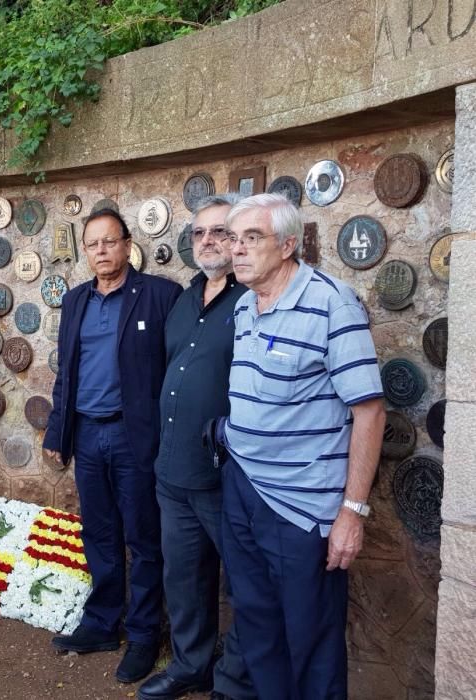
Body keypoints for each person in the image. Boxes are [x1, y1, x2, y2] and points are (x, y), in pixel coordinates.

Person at [220, 193, 385, 699]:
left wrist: (352, 512)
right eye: (234, 239)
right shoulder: (246, 303)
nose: (237, 251)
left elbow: (370, 411)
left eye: (253, 238)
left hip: (300, 507)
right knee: (258, 626)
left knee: (311, 643)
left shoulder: (332, 303)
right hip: (243, 487)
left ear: (288, 245)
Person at [43, 208, 181, 684]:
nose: (101, 251)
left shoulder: (161, 296)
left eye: (109, 242)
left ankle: (144, 635)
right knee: (98, 534)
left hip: (133, 436)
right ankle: (102, 623)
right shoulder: (76, 300)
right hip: (87, 432)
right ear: (86, 251)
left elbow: (177, 373)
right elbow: (67, 372)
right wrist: (58, 433)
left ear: (126, 244)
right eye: (92, 244)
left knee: (143, 538)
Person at [138, 194, 254, 700]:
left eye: (220, 232)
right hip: (173, 472)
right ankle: (191, 665)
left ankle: (236, 681)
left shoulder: (252, 299)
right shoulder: (183, 300)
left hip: (227, 475)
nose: (208, 240)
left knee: (246, 585)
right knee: (184, 579)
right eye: (200, 233)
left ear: (240, 240)